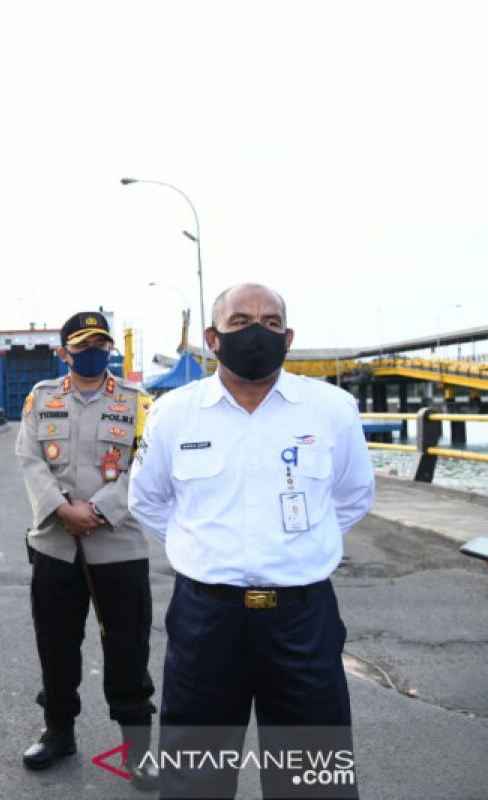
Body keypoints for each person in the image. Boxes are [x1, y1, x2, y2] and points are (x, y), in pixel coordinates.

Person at [129, 282, 374, 798]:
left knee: (312, 780)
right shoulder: (175, 412)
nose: (256, 332)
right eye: (240, 322)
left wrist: (300, 551)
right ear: (213, 338)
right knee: (195, 779)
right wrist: (202, 552)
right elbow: (147, 500)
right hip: (205, 621)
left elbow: (351, 497)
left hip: (302, 619)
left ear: (288, 337)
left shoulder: (331, 408)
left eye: (269, 322)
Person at [14, 310, 159, 790]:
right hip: (55, 545)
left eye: (101, 343)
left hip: (117, 544)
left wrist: (97, 509)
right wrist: (60, 509)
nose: (93, 351)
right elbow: (29, 458)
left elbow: (144, 462)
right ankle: (59, 732)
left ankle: (137, 749)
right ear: (64, 352)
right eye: (83, 344)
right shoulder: (42, 398)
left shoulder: (137, 402)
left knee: (128, 648)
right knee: (56, 646)